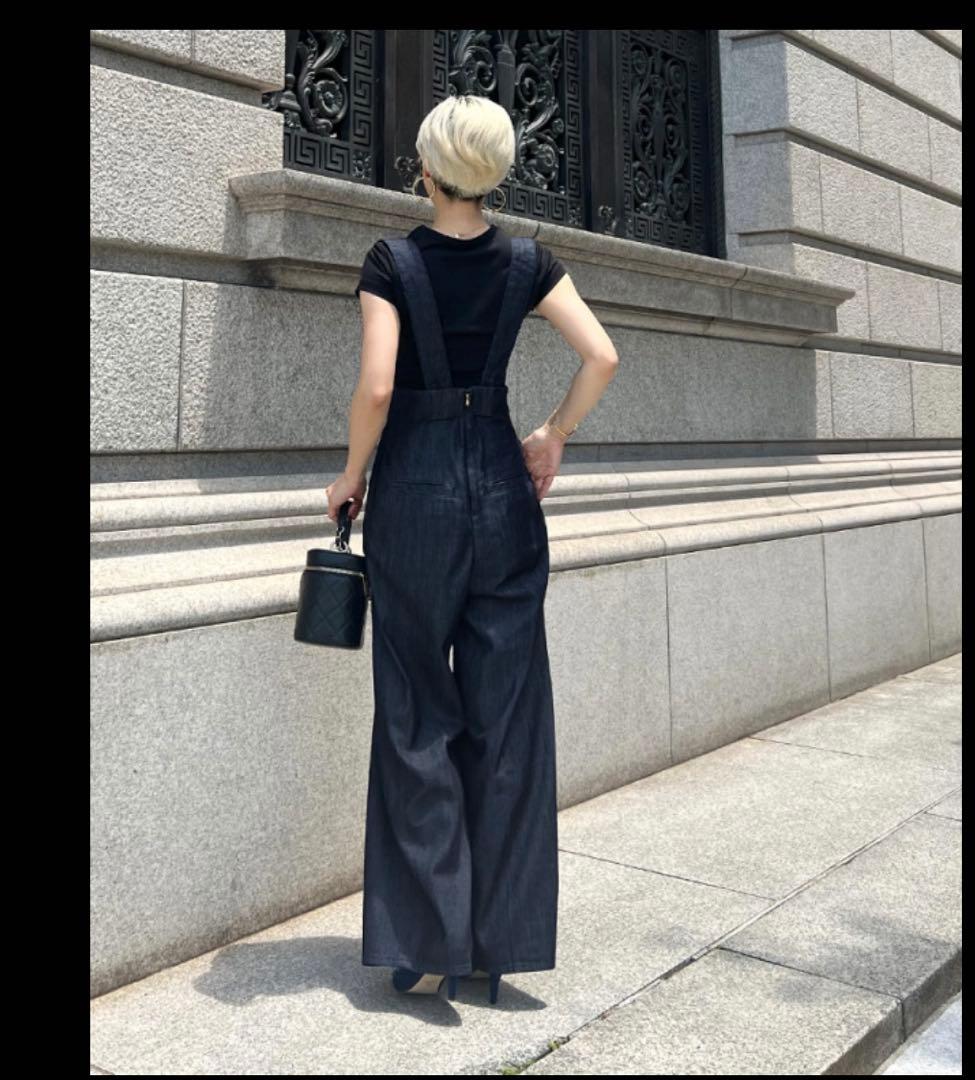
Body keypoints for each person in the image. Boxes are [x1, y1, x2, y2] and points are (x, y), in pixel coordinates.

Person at [325, 93, 619, 1005]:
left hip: (414, 492)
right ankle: (496, 943)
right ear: (496, 170)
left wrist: (350, 476)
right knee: (509, 716)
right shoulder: (530, 262)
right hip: (500, 485)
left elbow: (378, 387)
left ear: (426, 168)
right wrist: (554, 435)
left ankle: (425, 943)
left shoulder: (393, 261)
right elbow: (601, 355)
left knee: (417, 712)